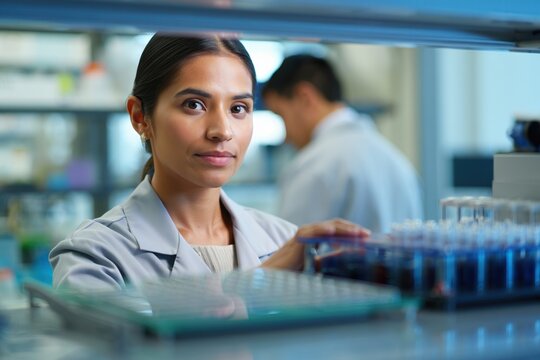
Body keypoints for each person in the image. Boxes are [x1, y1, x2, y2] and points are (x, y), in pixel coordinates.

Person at [49, 35, 369, 290]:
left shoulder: (282, 239)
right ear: (139, 117)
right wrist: (260, 283)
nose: (222, 131)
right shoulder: (95, 256)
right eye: (194, 104)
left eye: (238, 108)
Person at [262, 54, 422, 233]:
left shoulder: (314, 165)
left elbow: (287, 251)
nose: (286, 138)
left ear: (305, 97)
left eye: (281, 115)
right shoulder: (397, 159)